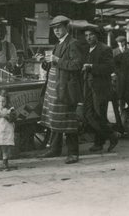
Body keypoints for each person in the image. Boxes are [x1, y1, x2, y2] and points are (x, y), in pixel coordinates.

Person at [38, 15, 83, 164]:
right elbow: (55, 65)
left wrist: (57, 60)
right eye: (54, 29)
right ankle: (55, 149)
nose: (56, 31)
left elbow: (77, 65)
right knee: (55, 119)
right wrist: (45, 62)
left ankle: (73, 153)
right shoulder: (58, 44)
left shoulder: (73, 43)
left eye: (59, 28)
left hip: (66, 88)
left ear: (66, 28)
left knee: (69, 120)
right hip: (55, 87)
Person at [82, 26, 120, 152]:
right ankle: (112, 135)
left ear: (97, 36)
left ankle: (99, 143)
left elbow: (109, 68)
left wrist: (92, 66)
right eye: (86, 35)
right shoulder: (86, 49)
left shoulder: (105, 49)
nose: (88, 38)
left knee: (100, 115)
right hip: (88, 85)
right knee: (88, 114)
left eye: (91, 35)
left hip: (100, 86)